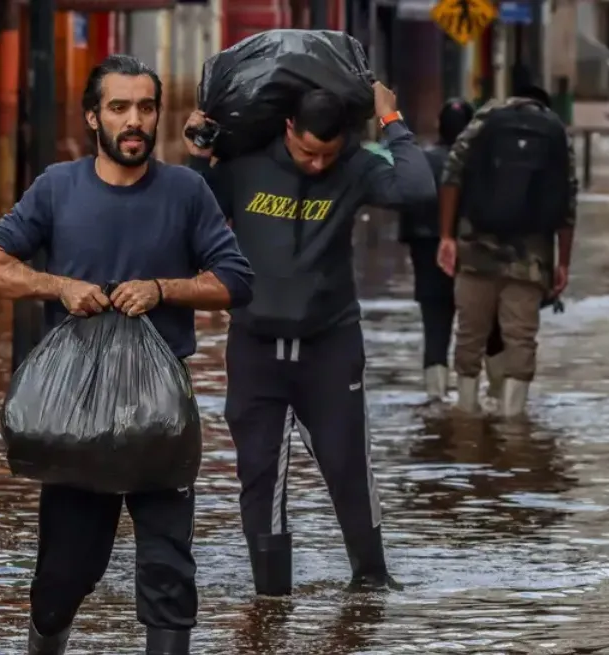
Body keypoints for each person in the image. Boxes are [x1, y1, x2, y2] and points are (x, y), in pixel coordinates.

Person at [0, 55, 254, 655]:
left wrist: (162, 289)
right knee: (64, 575)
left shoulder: (186, 190)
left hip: (160, 413)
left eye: (146, 108)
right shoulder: (56, 187)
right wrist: (60, 286)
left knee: (169, 570)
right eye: (120, 108)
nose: (135, 121)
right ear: (93, 116)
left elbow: (235, 281)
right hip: (74, 413)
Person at [184, 83, 435, 596]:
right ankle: (270, 598)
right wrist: (198, 155)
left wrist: (392, 119)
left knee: (348, 466)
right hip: (255, 345)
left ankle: (371, 582)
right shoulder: (246, 163)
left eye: (328, 153)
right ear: (288, 129)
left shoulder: (357, 167)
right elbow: (189, 213)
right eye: (307, 151)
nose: (318, 164)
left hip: (330, 344)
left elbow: (418, 190)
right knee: (260, 474)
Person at [436, 84, 577, 418]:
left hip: (476, 249)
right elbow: (568, 203)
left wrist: (447, 236)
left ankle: (466, 414)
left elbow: (451, 175)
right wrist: (563, 263)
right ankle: (514, 424)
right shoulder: (556, 131)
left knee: (470, 334)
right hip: (531, 257)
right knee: (520, 338)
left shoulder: (485, 118)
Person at [397, 98, 504, 402]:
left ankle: (435, 398)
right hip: (474, 252)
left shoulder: (421, 161)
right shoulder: (483, 164)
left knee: (435, 327)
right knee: (488, 327)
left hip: (427, 250)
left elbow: (407, 205)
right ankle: (497, 396)